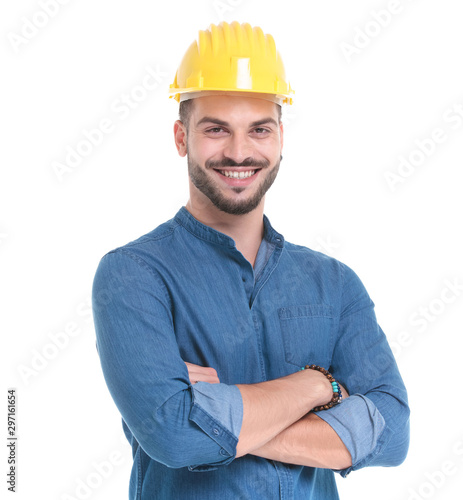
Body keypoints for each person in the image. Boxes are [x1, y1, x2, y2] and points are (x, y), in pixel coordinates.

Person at [92, 20, 410, 500]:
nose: (238, 151)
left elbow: (392, 433)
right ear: (181, 138)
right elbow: (174, 436)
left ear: (280, 137)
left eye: (258, 129)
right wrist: (317, 386)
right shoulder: (134, 275)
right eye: (216, 130)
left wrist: (210, 412)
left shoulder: (335, 283)